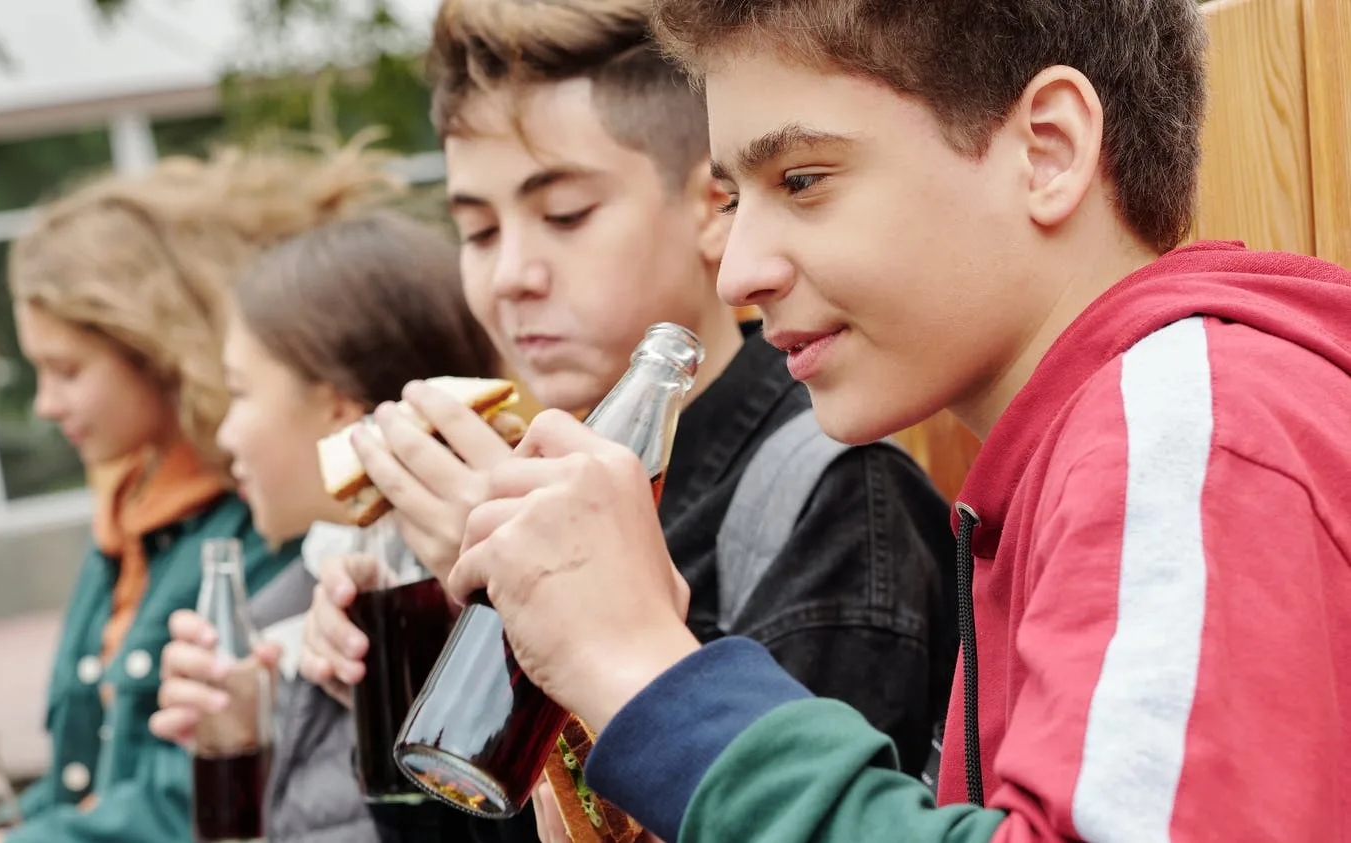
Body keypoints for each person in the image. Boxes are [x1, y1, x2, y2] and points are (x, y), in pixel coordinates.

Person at [446, 0, 1351, 840]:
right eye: (734, 198)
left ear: (1048, 150)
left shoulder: (1190, 433)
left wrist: (646, 670)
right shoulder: (1110, 443)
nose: (738, 272)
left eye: (801, 179)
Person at [300, 0, 958, 837]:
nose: (511, 275)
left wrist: (542, 608)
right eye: (474, 229)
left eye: (565, 214)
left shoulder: (835, 501)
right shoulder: (525, 474)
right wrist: (419, 645)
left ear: (714, 208)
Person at [0, 143, 395, 843]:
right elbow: (93, 777)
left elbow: (205, 797)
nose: (46, 404)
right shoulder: (128, 519)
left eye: (66, 370)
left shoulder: (273, 515)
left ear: (154, 346)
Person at [149, 206, 510, 843]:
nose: (224, 434)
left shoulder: (452, 606)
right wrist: (245, 740)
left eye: (239, 392)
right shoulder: (298, 601)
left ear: (339, 408)